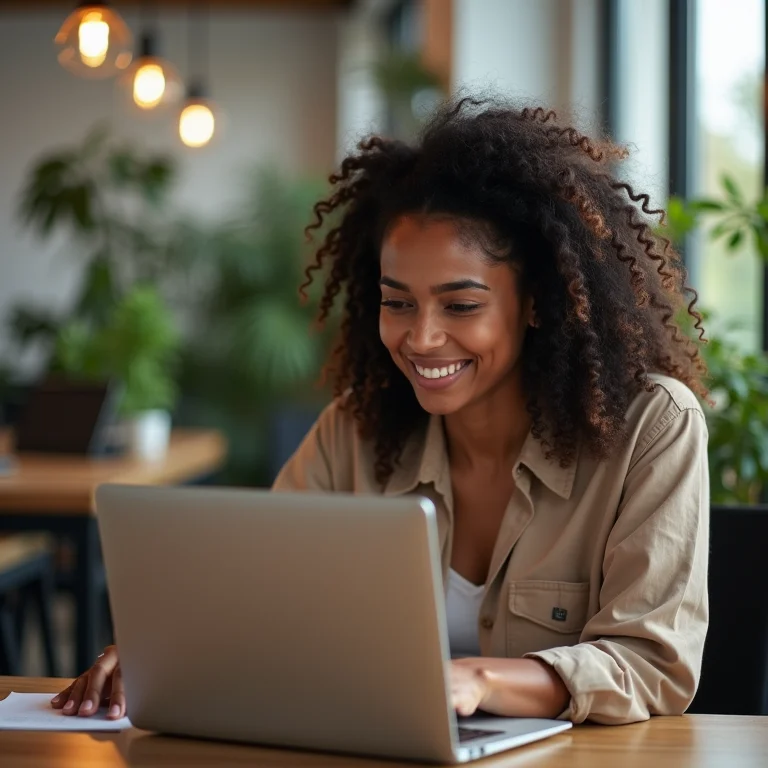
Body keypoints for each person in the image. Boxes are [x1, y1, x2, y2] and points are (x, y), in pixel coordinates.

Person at [52, 98, 710, 726]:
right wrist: (168, 653)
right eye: (398, 302)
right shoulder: (355, 431)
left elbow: (652, 662)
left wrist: (480, 681)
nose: (421, 338)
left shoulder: (651, 429)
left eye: (460, 306)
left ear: (535, 301)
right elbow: (261, 599)